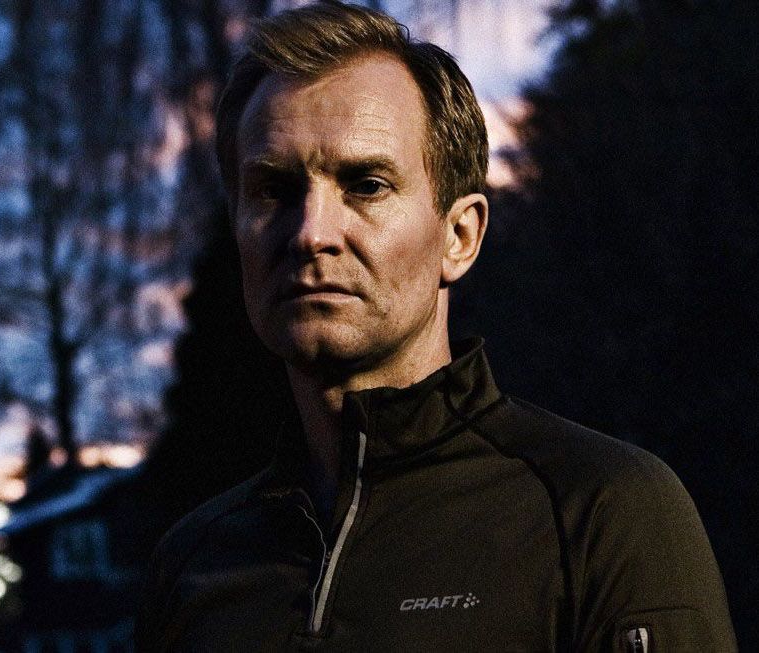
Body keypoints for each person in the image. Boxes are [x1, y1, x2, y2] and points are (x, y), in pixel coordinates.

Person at [134, 2, 736, 651]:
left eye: (366, 184)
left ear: (459, 236)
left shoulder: (599, 513)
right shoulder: (194, 565)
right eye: (274, 190)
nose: (310, 233)